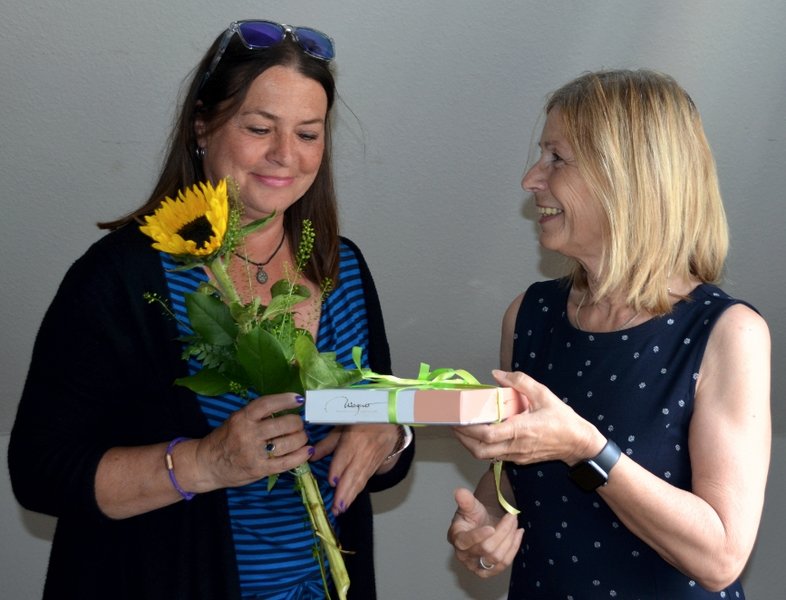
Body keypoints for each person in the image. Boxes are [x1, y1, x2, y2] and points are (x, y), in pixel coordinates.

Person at [9, 20, 413, 600]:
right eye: (259, 128)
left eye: (308, 134)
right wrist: (205, 462)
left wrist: (389, 433)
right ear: (202, 125)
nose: (285, 155)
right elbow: (40, 474)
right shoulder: (120, 278)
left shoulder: (342, 267)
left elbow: (381, 434)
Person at [447, 69, 770, 598]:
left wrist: (585, 447)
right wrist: (485, 524)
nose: (531, 179)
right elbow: (516, 480)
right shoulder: (529, 316)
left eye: (557, 158)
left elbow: (720, 558)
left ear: (627, 178)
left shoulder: (728, 333)